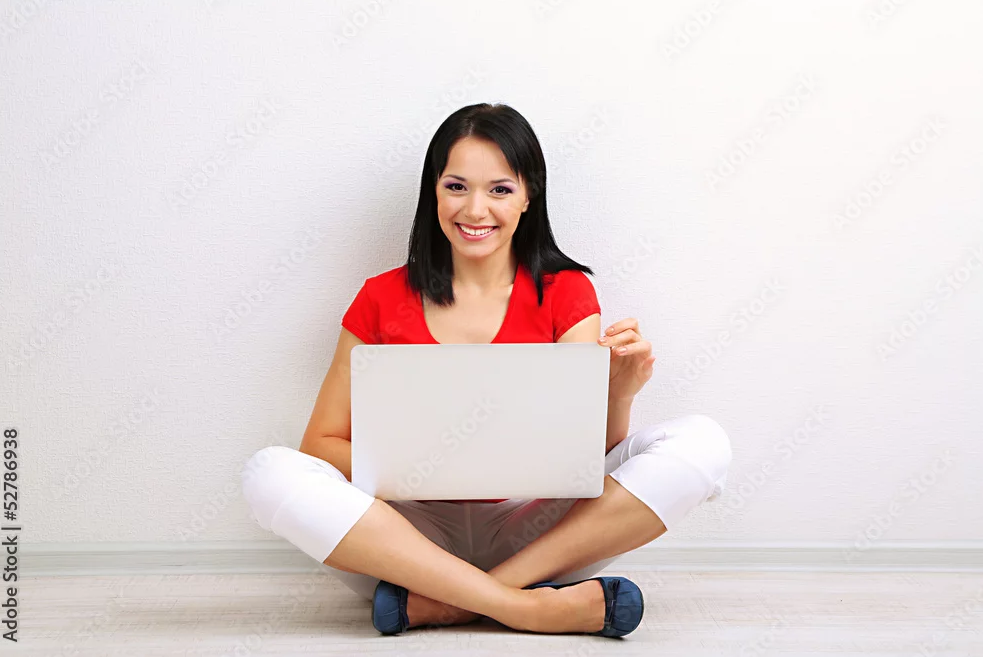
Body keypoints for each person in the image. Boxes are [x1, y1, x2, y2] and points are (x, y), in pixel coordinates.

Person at [241, 103, 731, 638]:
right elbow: (319, 444)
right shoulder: (380, 297)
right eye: (456, 187)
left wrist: (620, 395)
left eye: (499, 189)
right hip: (408, 537)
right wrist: (425, 466)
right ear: (433, 191)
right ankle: (524, 608)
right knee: (269, 472)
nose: (475, 210)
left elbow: (584, 461)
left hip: (535, 534)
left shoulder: (566, 292)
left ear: (528, 196)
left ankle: (454, 602)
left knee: (704, 442)